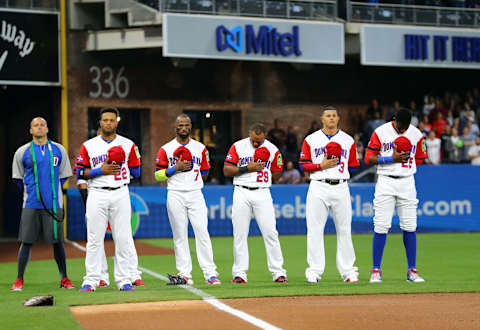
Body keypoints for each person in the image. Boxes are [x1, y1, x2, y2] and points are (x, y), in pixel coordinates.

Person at [76, 108, 142, 292]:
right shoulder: (89, 145)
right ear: (100, 122)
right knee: (94, 239)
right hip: (97, 192)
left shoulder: (128, 144)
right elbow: (80, 172)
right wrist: (100, 171)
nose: (108, 123)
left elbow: (136, 171)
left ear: (117, 122)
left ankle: (123, 280)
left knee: (122, 238)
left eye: (111, 120)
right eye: (105, 120)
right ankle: (91, 280)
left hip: (120, 192)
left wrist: (120, 169)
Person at [10, 117, 75, 291]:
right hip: (30, 203)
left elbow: (63, 176)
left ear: (47, 129)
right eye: (35, 125)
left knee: (57, 242)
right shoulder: (22, 152)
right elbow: (17, 178)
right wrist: (33, 191)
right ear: (30, 130)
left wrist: (51, 193)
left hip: (54, 205)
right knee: (26, 241)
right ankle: (19, 279)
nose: (39, 128)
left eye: (42, 125)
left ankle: (64, 279)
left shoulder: (59, 149)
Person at [154, 114, 220, 285]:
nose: (183, 127)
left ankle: (210, 273)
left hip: (195, 193)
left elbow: (205, 173)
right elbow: (157, 175)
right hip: (175, 193)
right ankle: (184, 274)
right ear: (175, 127)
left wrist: (193, 182)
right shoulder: (166, 149)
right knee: (180, 235)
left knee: (202, 232)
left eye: (186, 125)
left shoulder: (200, 148)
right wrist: (174, 169)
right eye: (180, 125)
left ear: (191, 127)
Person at [364, 108, 427, 283]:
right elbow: (368, 157)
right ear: (394, 120)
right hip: (386, 180)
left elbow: (421, 157)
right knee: (381, 225)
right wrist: (390, 159)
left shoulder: (416, 134)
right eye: (400, 126)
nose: (402, 129)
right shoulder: (381, 131)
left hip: (407, 181)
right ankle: (376, 270)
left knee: (409, 225)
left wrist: (406, 163)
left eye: (405, 126)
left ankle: (412, 271)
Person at [299, 106, 360, 283]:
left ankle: (348, 271)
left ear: (338, 119)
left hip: (341, 186)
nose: (331, 118)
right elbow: (303, 164)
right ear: (322, 119)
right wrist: (321, 166)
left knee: (344, 229)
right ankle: (314, 271)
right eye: (328, 116)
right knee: (315, 229)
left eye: (334, 116)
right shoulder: (311, 139)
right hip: (318, 186)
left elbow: (354, 165)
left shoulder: (348, 140)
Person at [223, 123, 288, 284]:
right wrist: (248, 168)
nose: (256, 143)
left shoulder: (272, 150)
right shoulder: (238, 146)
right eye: (253, 139)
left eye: (259, 140)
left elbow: (277, 176)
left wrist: (271, 164)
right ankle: (239, 273)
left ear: (265, 135)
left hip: (263, 192)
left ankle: (278, 273)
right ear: (249, 134)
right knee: (240, 234)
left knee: (271, 233)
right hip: (241, 191)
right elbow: (226, 170)